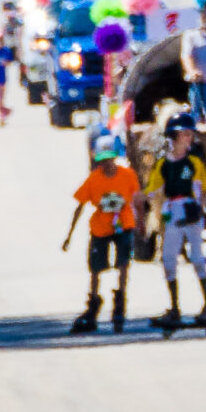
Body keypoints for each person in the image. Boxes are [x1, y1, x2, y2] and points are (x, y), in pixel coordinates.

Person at [144, 115, 206, 334]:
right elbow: (151, 189)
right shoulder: (163, 165)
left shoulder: (195, 163)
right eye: (185, 134)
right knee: (168, 259)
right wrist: (136, 198)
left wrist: (200, 207)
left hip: (191, 211)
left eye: (190, 134)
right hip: (172, 212)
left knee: (197, 258)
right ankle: (175, 307)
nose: (189, 138)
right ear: (174, 137)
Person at [63, 134, 145, 334]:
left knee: (124, 263)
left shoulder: (127, 175)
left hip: (123, 225)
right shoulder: (93, 180)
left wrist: (141, 223)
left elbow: (137, 200)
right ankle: (93, 303)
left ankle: (120, 301)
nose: (107, 164)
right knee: (96, 267)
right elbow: (80, 206)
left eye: (110, 159)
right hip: (101, 227)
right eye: (103, 160)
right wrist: (69, 235)